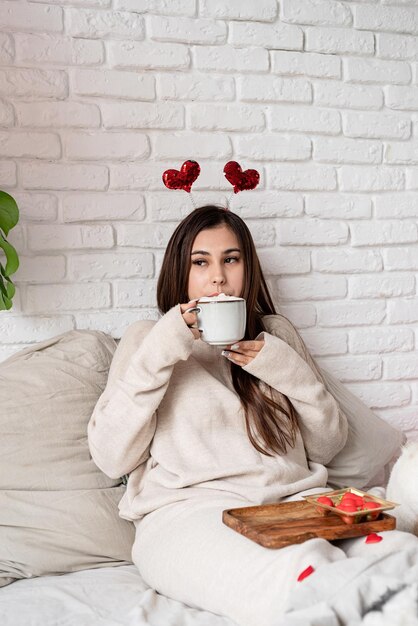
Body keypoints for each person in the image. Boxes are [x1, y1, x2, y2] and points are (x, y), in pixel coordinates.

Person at [87, 205, 415, 626]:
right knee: (300, 574)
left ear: (248, 269)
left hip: (293, 502)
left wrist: (285, 368)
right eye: (200, 262)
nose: (218, 276)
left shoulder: (276, 336)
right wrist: (166, 345)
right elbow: (111, 456)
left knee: (397, 551)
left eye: (231, 259)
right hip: (189, 513)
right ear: (179, 273)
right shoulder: (148, 340)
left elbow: (328, 444)